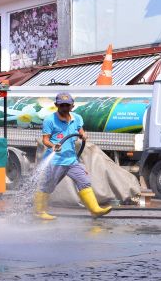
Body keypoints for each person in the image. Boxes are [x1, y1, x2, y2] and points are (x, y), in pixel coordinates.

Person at [34, 92, 112, 220]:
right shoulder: (50, 120)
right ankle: (39, 212)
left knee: (84, 181)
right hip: (55, 161)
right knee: (47, 186)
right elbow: (45, 140)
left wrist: (83, 134)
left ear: (72, 106)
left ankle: (94, 210)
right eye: (62, 105)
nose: (64, 108)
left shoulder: (77, 118)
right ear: (56, 105)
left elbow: (80, 129)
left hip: (71, 160)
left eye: (67, 105)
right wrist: (53, 146)